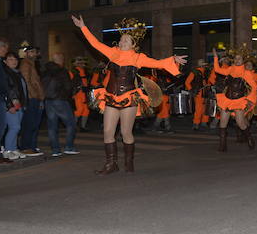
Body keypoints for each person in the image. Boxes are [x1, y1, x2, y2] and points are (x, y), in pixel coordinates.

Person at [72, 15, 185, 173]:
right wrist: (83, 27)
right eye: (121, 39)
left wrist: (173, 58)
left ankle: (128, 162)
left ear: (133, 44)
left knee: (126, 132)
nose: (121, 42)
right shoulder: (113, 53)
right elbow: (95, 43)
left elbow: (159, 64)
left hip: (129, 98)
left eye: (126, 40)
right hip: (110, 97)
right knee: (107, 132)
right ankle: (111, 164)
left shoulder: (138, 58)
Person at [211, 47, 257, 151]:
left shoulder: (246, 73)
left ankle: (249, 137)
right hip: (227, 100)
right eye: (236, 58)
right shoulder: (230, 69)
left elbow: (255, 87)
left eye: (239, 59)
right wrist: (215, 57)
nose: (237, 60)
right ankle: (222, 145)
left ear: (243, 61)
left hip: (239, 101)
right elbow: (217, 70)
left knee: (241, 123)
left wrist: (249, 100)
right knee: (222, 123)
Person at [41, 52, 79, 157]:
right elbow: (68, 86)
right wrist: (68, 96)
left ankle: (55, 149)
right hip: (60, 100)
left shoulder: (45, 72)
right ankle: (69, 147)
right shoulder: (62, 71)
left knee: (52, 126)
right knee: (71, 124)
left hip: (48, 101)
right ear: (61, 60)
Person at [18, 45, 45, 156]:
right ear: (26, 53)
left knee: (34, 123)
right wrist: (34, 96)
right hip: (31, 98)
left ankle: (32, 146)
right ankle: (26, 147)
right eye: (31, 52)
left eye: (35, 52)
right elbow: (26, 81)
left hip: (35, 97)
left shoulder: (32, 64)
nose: (34, 54)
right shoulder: (25, 64)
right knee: (30, 123)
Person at [2, 51, 28, 160]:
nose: (14, 61)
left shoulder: (17, 73)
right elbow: (7, 90)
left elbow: (22, 90)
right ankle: (8, 150)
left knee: (17, 127)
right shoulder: (5, 73)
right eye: (11, 59)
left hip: (20, 104)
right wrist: (10, 104)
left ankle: (13, 148)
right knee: (14, 126)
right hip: (12, 104)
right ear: (5, 61)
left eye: (15, 59)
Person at [185, 60, 211, 131]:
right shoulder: (194, 72)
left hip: (205, 92)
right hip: (198, 92)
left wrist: (208, 85)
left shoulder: (205, 72)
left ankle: (204, 122)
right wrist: (191, 90)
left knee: (205, 108)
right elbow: (187, 82)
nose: (205, 65)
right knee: (198, 109)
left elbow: (206, 82)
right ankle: (196, 123)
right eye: (203, 64)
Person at [71, 57, 92, 132]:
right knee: (79, 110)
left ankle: (83, 127)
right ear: (75, 63)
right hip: (77, 93)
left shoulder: (86, 72)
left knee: (86, 110)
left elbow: (87, 82)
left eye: (82, 61)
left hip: (84, 93)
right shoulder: (73, 72)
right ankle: (72, 126)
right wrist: (72, 93)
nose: (81, 63)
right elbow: (71, 83)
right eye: (79, 61)